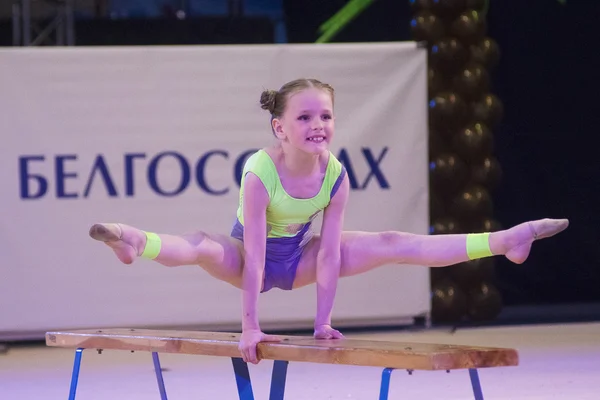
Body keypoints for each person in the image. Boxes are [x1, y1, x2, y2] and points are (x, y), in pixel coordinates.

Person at [88, 78, 569, 365]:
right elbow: (254, 252)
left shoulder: (335, 175)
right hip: (245, 259)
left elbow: (332, 252)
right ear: (280, 128)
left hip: (300, 259)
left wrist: (323, 323)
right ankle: (133, 240)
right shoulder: (260, 170)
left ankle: (504, 240)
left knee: (390, 241)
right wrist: (250, 328)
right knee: (199, 245)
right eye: (304, 118)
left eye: (325, 116)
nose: (317, 125)